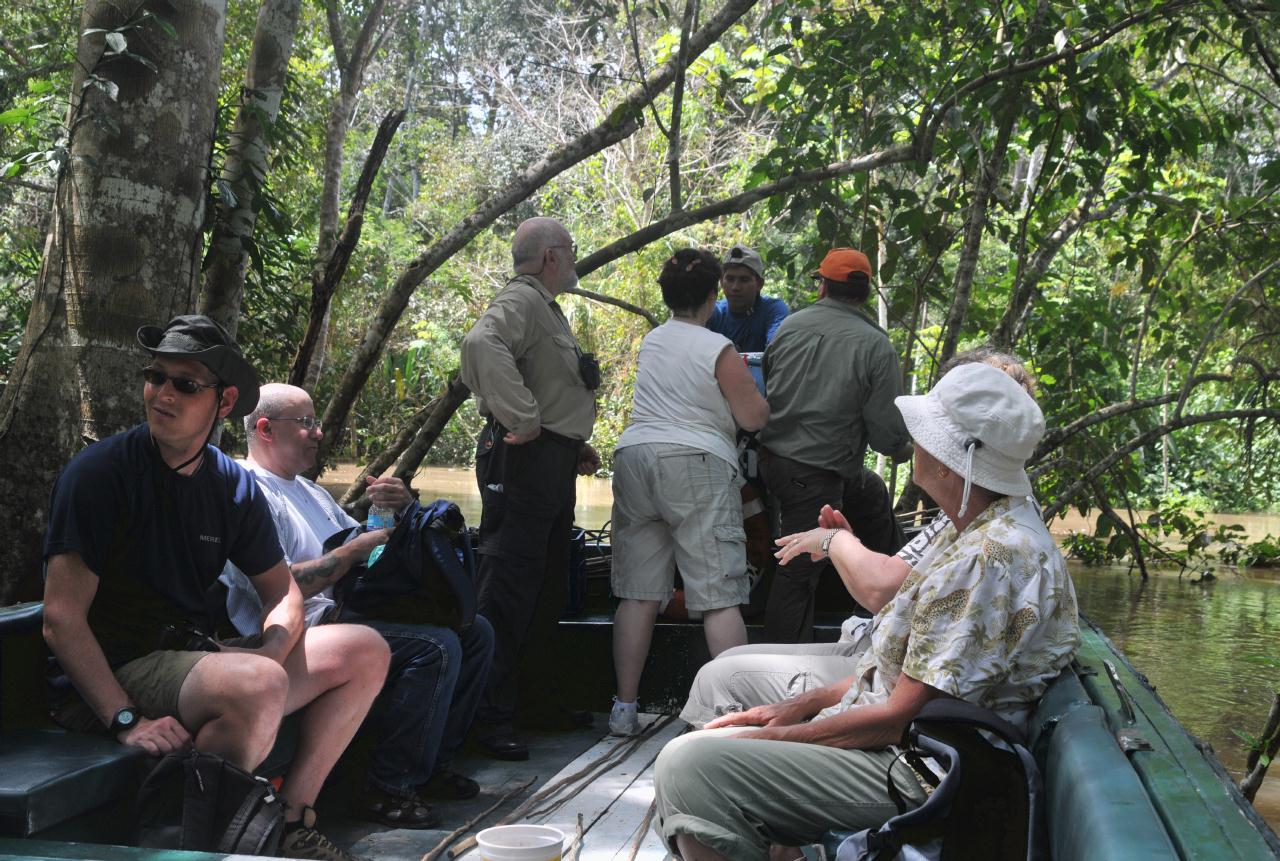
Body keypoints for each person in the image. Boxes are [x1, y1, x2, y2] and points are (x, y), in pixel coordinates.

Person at [652, 362, 1080, 861]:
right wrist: (794, 707)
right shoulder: (976, 526)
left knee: (690, 767)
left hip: (925, 769)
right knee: (701, 756)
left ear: (946, 462)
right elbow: (894, 671)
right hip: (909, 744)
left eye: (923, 434)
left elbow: (900, 718)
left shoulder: (991, 557)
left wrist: (779, 737)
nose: (912, 442)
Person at [42, 315, 389, 861]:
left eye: (185, 384)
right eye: (155, 377)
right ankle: (186, 845)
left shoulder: (230, 486)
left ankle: (291, 822)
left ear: (224, 404)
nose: (162, 394)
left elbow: (283, 593)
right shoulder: (100, 474)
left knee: (364, 650)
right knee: (255, 685)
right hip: (116, 670)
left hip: (192, 658)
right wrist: (124, 719)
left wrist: (275, 646)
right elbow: (61, 618)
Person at [679, 349, 1039, 727]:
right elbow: (896, 600)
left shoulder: (990, 548)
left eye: (931, 427)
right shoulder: (968, 519)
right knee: (723, 669)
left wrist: (834, 543)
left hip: (892, 696)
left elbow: (883, 598)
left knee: (715, 682)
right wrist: (841, 546)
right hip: (880, 659)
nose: (917, 440)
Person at [236, 383, 495, 829]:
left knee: (476, 632)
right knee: (433, 647)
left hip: (348, 613)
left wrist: (400, 510)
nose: (319, 432)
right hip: (297, 630)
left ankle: (431, 765)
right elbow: (274, 586)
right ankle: (386, 786)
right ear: (265, 428)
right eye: (306, 423)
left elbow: (373, 548)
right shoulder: (249, 494)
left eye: (316, 422)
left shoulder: (311, 493)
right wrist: (351, 554)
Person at [607, 249, 771, 737]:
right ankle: (732, 715)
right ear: (713, 294)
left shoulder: (653, 340)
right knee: (720, 594)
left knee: (637, 593)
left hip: (635, 457)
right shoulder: (718, 348)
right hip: (695, 463)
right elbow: (753, 418)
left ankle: (624, 709)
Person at [460, 217, 601, 761]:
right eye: (570, 250)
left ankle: (533, 702)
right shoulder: (519, 300)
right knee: (508, 586)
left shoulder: (544, 306)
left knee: (544, 587)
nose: (573, 259)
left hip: (549, 461)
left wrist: (567, 441)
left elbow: (548, 379)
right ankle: (487, 716)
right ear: (549, 257)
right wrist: (524, 417)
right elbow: (481, 343)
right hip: (520, 462)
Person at [758, 247, 914, 643]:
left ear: (823, 285)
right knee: (796, 571)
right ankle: (781, 672)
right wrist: (907, 448)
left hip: (774, 461)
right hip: (813, 474)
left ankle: (878, 610)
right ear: (862, 295)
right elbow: (885, 437)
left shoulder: (790, 326)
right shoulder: (876, 345)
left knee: (873, 492)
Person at [704, 243, 789, 352]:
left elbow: (778, 348)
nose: (735, 287)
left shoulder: (773, 310)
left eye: (744, 280)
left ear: (759, 284)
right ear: (721, 281)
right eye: (730, 279)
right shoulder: (714, 312)